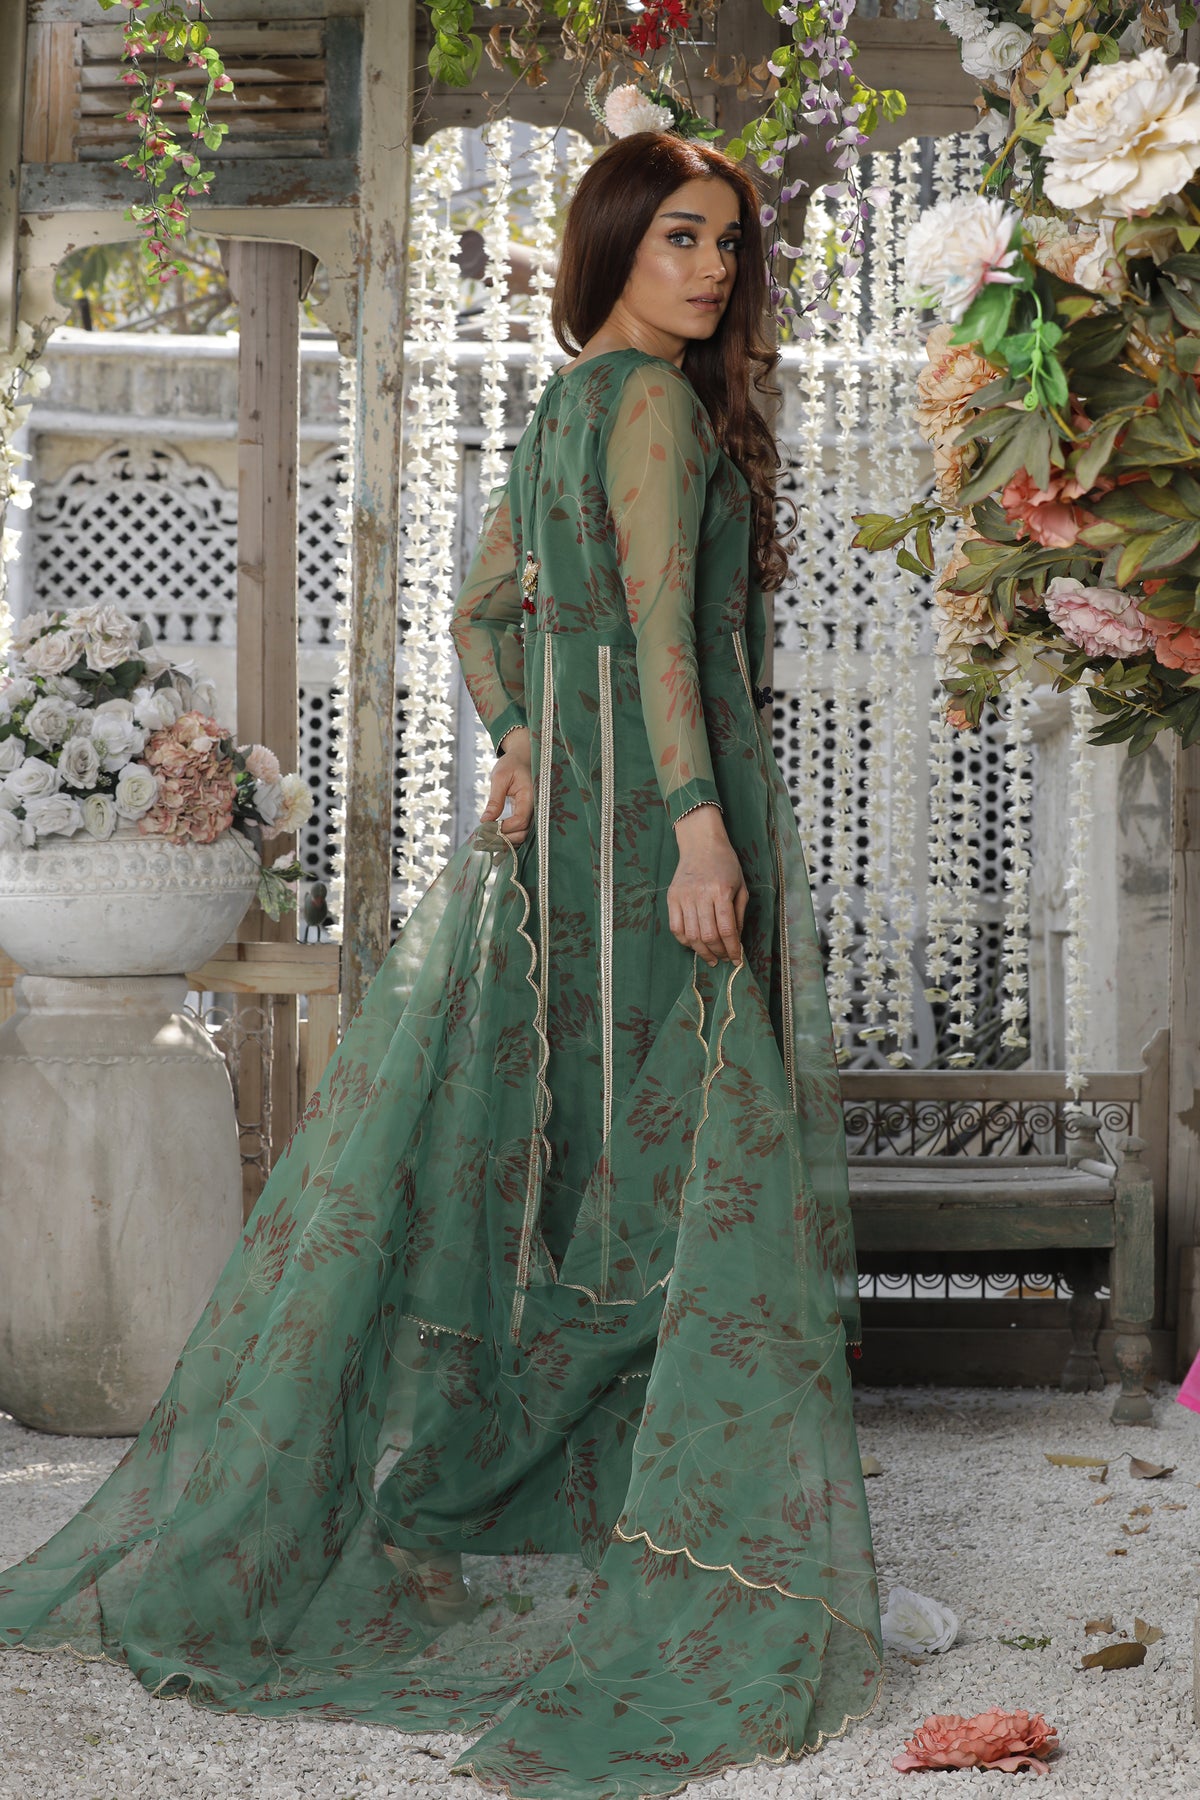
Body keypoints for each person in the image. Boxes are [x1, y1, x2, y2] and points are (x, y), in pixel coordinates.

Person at [0, 130, 883, 1798]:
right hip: (658, 831)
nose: (712, 267)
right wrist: (701, 829)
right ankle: (692, 1547)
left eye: (728, 242)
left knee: (599, 1159)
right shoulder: (646, 407)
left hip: (573, 839)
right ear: (614, 244)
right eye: (680, 237)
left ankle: (588, 1507)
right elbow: (665, 631)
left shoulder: (563, 411)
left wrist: (531, 742)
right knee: (683, 1162)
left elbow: (485, 617)